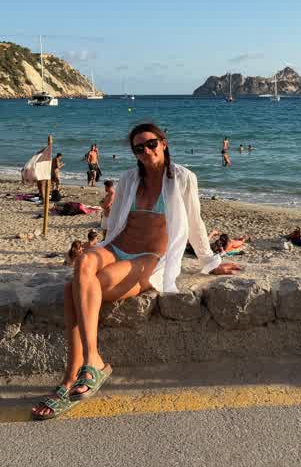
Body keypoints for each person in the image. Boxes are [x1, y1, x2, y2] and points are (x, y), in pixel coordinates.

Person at [32, 122, 240, 420]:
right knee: (85, 262)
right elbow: (114, 223)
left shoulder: (183, 178)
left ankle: (70, 377)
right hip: (117, 247)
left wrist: (212, 262)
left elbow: (195, 223)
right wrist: (102, 248)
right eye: (139, 148)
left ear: (163, 143)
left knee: (73, 289)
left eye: (151, 144)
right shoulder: (129, 178)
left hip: (150, 258)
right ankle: (91, 361)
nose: (146, 151)